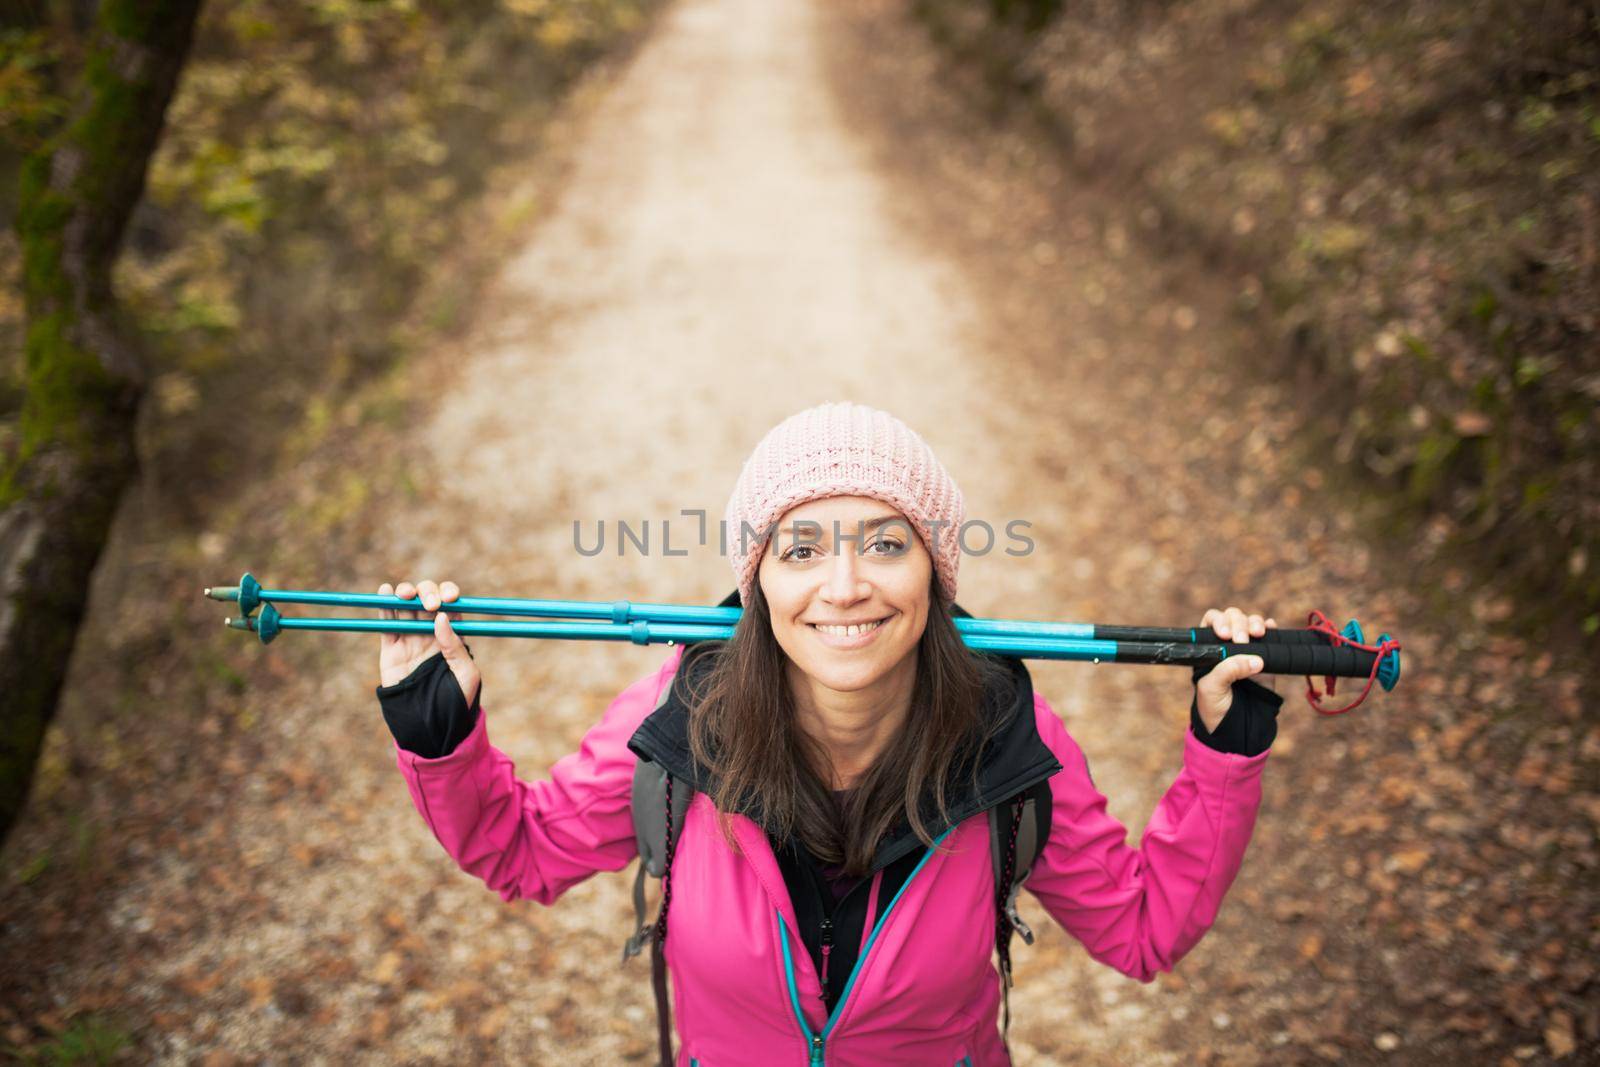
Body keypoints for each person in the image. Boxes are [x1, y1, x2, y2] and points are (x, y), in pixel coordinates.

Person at [374, 400, 1283, 1066]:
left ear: (937, 575)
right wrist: (439, 732)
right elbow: (523, 850)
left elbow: (1141, 928)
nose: (843, 585)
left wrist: (1225, 754)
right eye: (801, 548)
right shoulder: (685, 718)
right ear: (756, 579)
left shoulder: (1005, 734)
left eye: (886, 544)